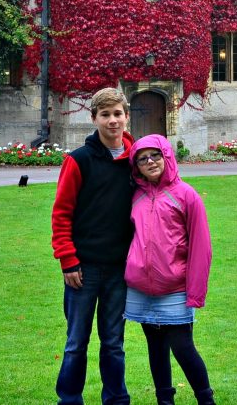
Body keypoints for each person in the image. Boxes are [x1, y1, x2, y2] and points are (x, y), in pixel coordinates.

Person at [52, 87, 136, 405]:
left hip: (119, 270)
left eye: (118, 114)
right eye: (105, 115)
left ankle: (116, 398)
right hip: (83, 269)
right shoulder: (78, 161)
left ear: (126, 116)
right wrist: (68, 260)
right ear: (94, 118)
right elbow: (61, 214)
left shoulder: (136, 161)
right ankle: (70, 398)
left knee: (113, 342)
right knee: (76, 342)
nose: (113, 120)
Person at [124, 134, 214, 405]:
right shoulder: (134, 196)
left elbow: (201, 247)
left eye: (155, 155)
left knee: (183, 348)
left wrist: (195, 293)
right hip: (141, 288)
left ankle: (206, 400)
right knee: (156, 347)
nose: (150, 161)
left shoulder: (186, 195)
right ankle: (165, 401)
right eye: (142, 158)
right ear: (136, 166)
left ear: (166, 156)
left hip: (175, 287)